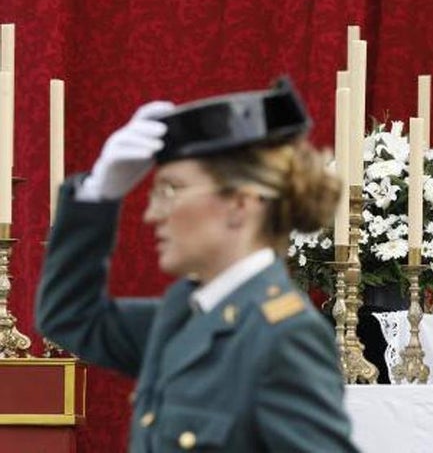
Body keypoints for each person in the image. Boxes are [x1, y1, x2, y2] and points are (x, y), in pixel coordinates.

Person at [36, 78, 359, 452]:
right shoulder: (185, 312)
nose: (152, 215)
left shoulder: (283, 337)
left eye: (170, 191)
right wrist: (97, 193)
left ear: (240, 203)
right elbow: (70, 318)